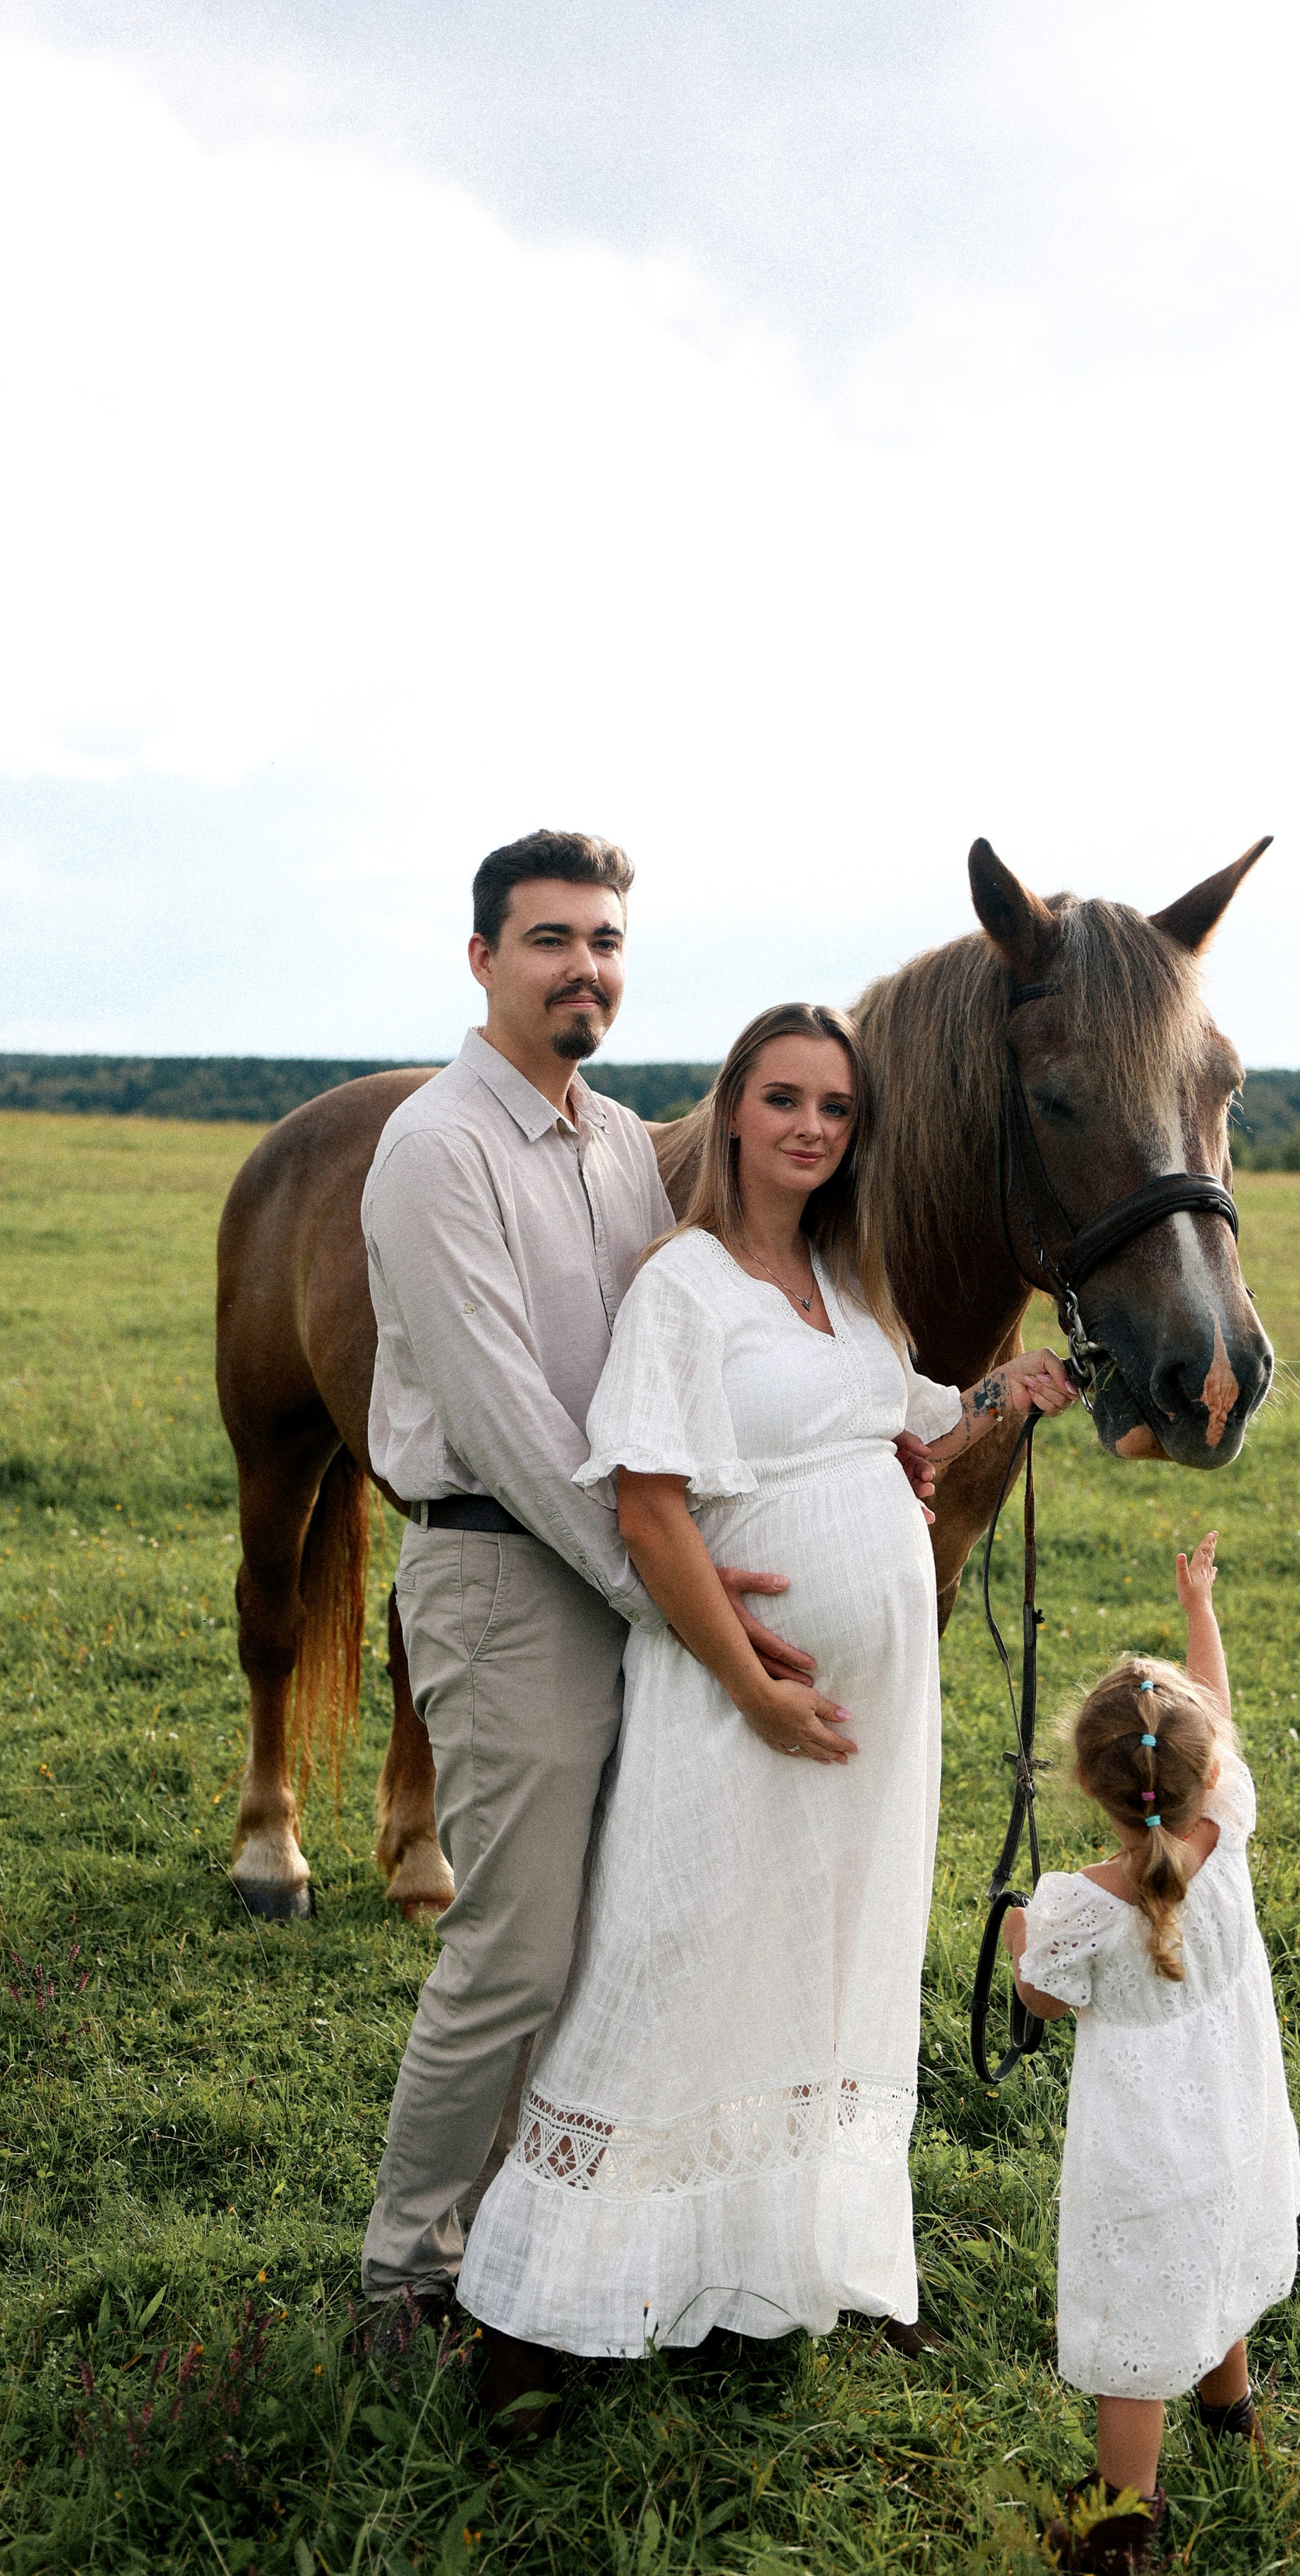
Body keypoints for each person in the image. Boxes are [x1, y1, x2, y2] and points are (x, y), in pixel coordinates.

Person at [456, 1001, 1077, 2370]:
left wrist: (1001, 1398)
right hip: (739, 1704)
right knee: (677, 1951)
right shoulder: (683, 1288)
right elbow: (652, 1511)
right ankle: (549, 2312)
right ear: (733, 1110)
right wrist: (750, 1687)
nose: (810, 1128)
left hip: (872, 1720)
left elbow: (891, 1419)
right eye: (785, 1099)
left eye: (837, 1110)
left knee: (825, 1955)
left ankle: (768, 2269)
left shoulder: (847, 1288)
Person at [357, 829, 826, 2434]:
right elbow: (499, 1420)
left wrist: (870, 1427)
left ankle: (546, 2245)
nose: (584, 967)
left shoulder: (621, 1142)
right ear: (480, 958)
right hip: (504, 1577)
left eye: (606, 942)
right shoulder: (436, 1151)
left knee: (618, 1933)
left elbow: (683, 1347)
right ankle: (403, 2275)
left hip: (623, 1579)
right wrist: (680, 1607)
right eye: (549, 938)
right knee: (514, 1949)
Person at [1002, 1534, 1300, 2574]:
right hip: (1231, 2115)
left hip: (1139, 2158)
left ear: (1091, 1786)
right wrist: (1199, 1610)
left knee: (1137, 2327)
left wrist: (1013, 1939)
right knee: (1214, 2249)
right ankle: (1234, 2413)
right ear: (1200, 1772)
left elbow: (1039, 1997)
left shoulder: (1076, 1905)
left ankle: (1118, 2530)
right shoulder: (1228, 1821)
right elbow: (1212, 1722)